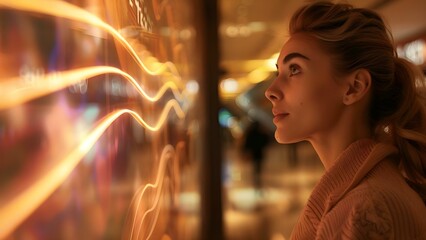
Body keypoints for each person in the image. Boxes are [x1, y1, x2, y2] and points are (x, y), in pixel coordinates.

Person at [265, 1, 426, 239]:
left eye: (295, 69)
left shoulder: (363, 210)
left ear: (354, 87)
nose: (271, 91)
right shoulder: (375, 187)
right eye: (279, 71)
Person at [242, 121, 271, 192]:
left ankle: (256, 178)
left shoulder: (250, 133)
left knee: (255, 166)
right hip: (259, 152)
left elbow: (247, 143)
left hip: (254, 153)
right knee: (258, 165)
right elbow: (266, 140)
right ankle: (257, 177)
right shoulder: (260, 133)